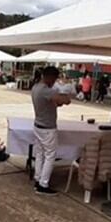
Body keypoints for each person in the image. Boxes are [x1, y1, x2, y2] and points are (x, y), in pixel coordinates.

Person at [32, 66, 72, 196]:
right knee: (50, 156)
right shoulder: (46, 90)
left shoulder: (36, 87)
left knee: (39, 154)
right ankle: (43, 184)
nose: (54, 82)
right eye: (54, 79)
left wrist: (58, 98)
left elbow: (55, 103)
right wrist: (65, 92)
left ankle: (38, 179)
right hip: (47, 128)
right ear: (49, 77)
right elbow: (65, 101)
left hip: (38, 125)